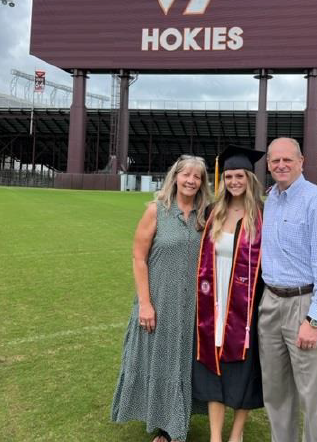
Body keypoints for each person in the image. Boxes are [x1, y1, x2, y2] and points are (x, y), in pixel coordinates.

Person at [111, 155, 211, 442]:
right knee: (161, 362)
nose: (191, 180)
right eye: (186, 175)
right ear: (175, 177)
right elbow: (139, 258)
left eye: (197, 176)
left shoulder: (205, 216)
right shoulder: (156, 211)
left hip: (192, 307)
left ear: (202, 182)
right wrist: (145, 303)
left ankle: (175, 423)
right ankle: (165, 424)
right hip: (158, 302)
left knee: (184, 363)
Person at [258, 137, 317, 442]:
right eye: (274, 161)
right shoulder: (271, 199)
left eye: (287, 159)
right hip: (270, 302)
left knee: (314, 394)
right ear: (268, 164)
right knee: (276, 391)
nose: (281, 165)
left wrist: (314, 321)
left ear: (301, 162)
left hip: (303, 305)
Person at [193, 145, 265, 442]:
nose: (234, 181)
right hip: (213, 298)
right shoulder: (213, 212)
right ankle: (215, 436)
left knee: (242, 369)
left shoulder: (262, 214)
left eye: (240, 176)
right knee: (213, 367)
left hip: (245, 304)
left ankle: (236, 434)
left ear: (249, 178)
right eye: (230, 176)